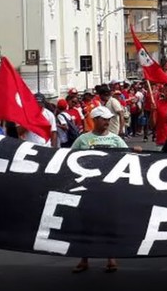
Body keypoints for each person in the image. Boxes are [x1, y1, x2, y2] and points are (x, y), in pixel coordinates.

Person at [71, 106, 125, 274]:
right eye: (103, 119)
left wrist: (135, 151)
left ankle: (111, 259)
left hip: (110, 189)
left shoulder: (115, 139)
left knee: (109, 223)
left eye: (109, 119)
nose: (107, 122)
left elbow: (128, 156)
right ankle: (84, 260)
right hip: (88, 188)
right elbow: (69, 158)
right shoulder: (83, 140)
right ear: (94, 120)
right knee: (86, 224)